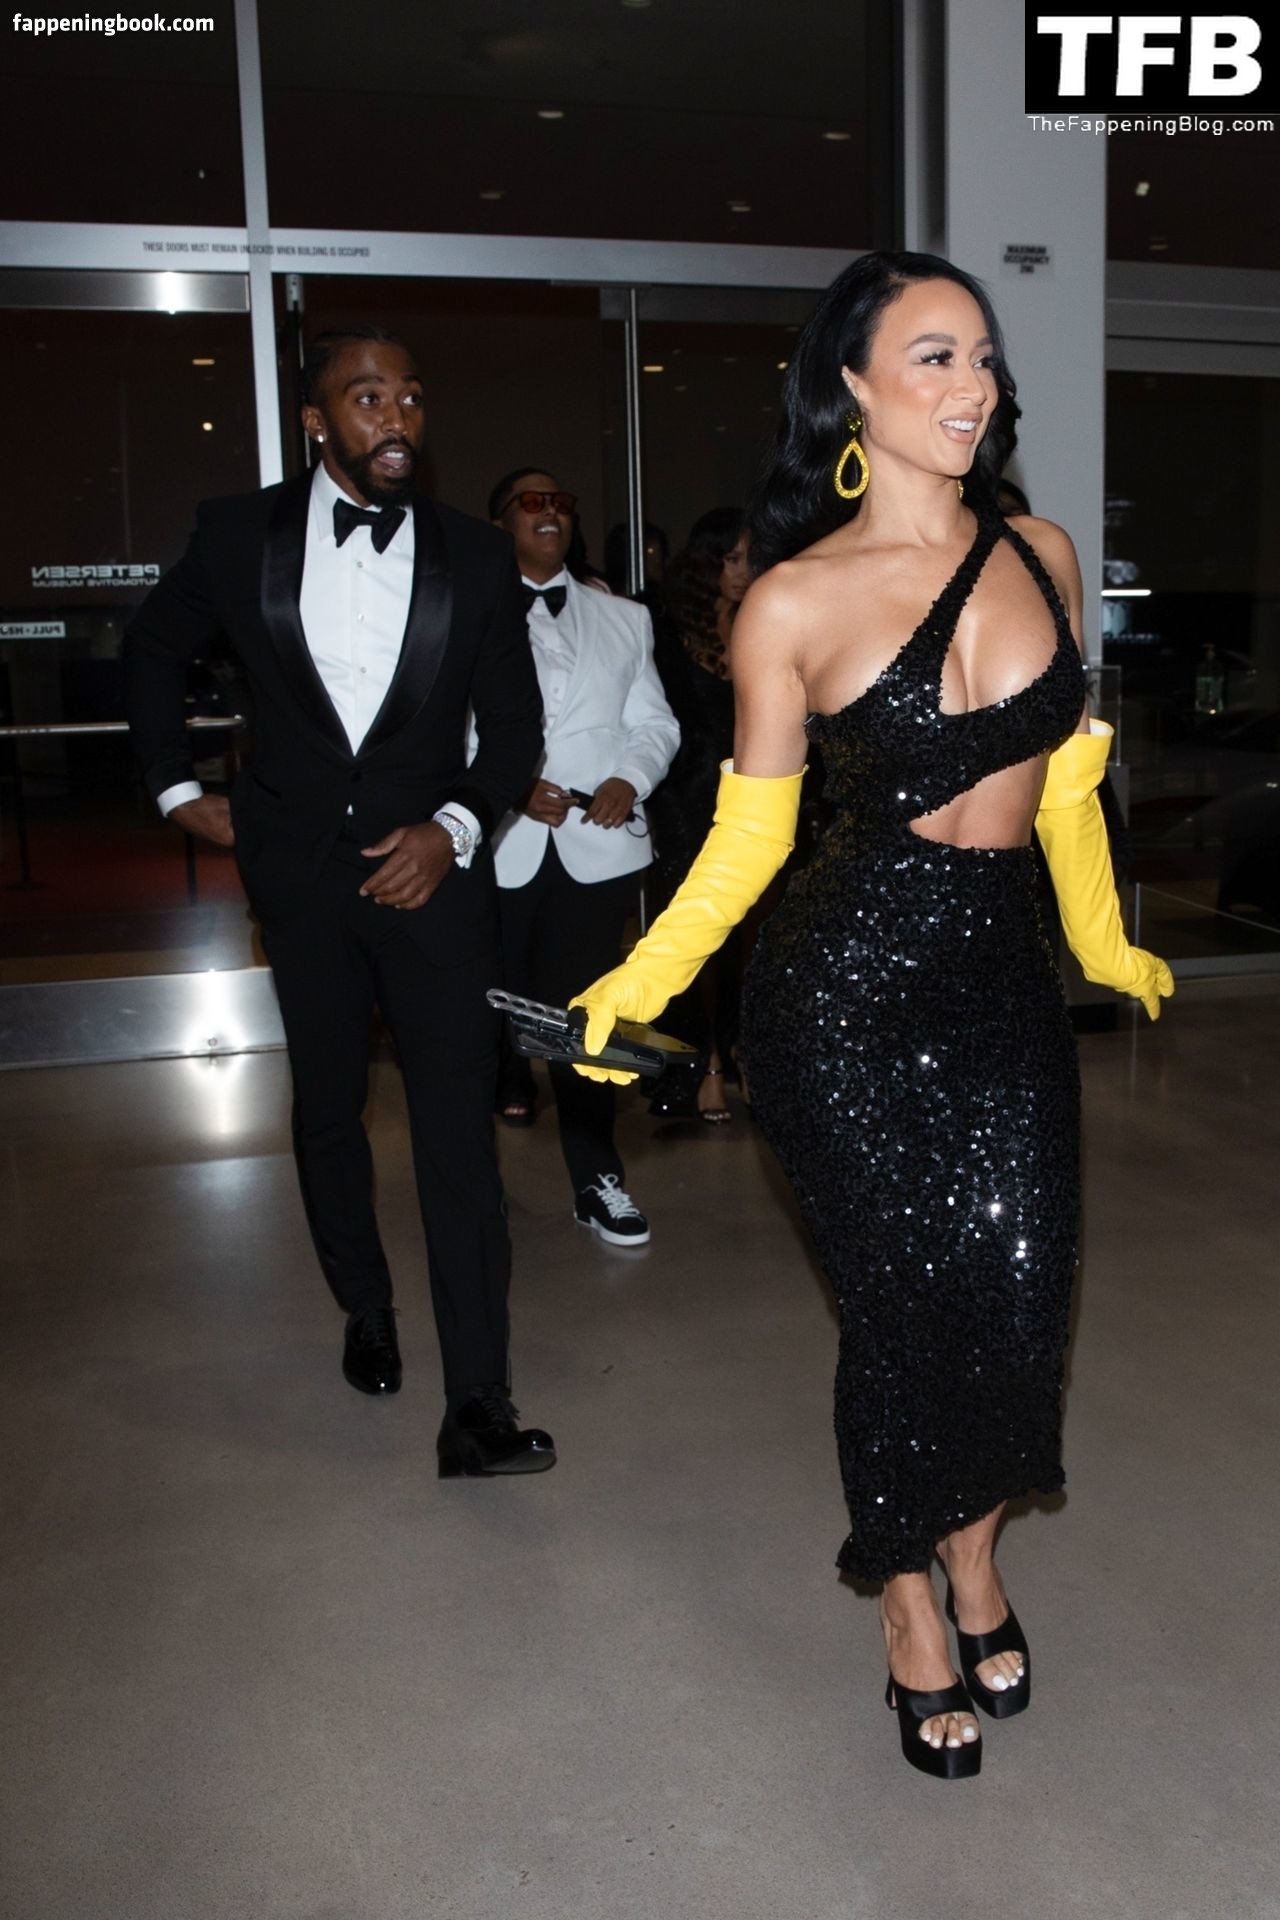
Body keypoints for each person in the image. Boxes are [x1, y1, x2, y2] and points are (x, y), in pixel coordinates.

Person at [568, 253, 1173, 1777]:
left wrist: (1102, 938)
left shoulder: (1042, 550)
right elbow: (747, 840)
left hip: (1001, 983)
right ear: (851, 386)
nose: (973, 384)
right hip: (841, 997)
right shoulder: (793, 599)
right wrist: (640, 980)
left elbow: (1069, 785)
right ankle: (911, 1598)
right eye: (932, 356)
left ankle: (975, 1553)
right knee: (902, 1311)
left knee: (1019, 1292)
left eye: (982, 354)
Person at [123, 327, 556, 1479]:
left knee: (457, 1135)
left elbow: (515, 728)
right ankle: (365, 1305)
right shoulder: (238, 534)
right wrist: (175, 788)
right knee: (328, 1107)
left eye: (410, 397)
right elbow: (152, 648)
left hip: (434, 887)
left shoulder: (474, 554)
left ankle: (478, 1405)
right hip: (301, 880)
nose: (395, 418)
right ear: (317, 420)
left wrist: (452, 828)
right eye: (367, 399)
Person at [484, 467, 680, 1247]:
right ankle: (472, 1185)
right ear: (500, 522)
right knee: (474, 1025)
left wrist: (629, 780)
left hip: (595, 857)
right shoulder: (466, 609)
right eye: (532, 502)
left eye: (562, 503)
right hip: (493, 850)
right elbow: (442, 728)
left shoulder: (624, 617)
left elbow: (655, 724)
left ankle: (598, 1181)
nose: (551, 513)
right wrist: (506, 786)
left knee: (585, 1026)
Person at [646, 510, 751, 1123]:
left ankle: (739, 1052)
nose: (742, 570)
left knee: (747, 938)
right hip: (685, 800)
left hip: (753, 799)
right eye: (731, 558)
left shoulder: (764, 619)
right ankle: (700, 1060)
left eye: (749, 558)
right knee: (694, 937)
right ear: (706, 561)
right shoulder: (669, 629)